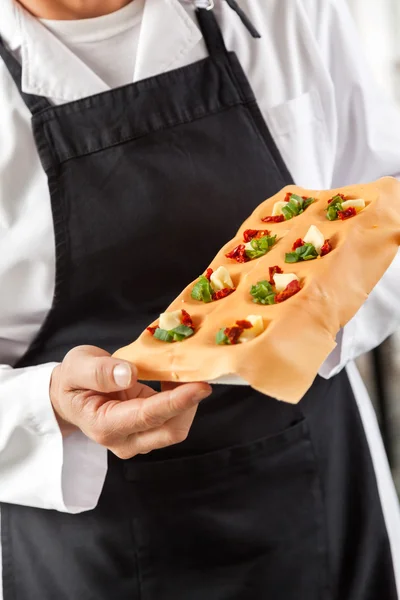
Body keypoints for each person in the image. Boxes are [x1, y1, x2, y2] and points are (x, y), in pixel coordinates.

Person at [0, 0, 399, 598]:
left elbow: (386, 205)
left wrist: (291, 322)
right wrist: (47, 404)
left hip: (316, 488)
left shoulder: (289, 8)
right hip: (85, 548)